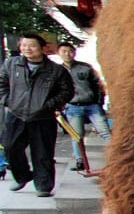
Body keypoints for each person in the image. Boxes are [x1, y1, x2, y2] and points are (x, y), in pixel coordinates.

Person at [0, 33, 74, 198]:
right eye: (24, 45)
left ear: (42, 48)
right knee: (10, 147)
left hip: (43, 117)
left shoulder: (56, 70)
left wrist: (48, 106)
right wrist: (8, 101)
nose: (27, 49)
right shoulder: (11, 65)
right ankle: (22, 176)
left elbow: (67, 91)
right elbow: (1, 84)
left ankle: (43, 185)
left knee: (42, 153)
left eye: (32, 45)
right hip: (16, 114)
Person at [56, 42, 110, 171]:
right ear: (59, 53)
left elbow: (98, 85)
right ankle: (80, 161)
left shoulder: (85, 67)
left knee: (105, 132)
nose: (67, 54)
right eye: (64, 51)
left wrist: (99, 102)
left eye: (70, 51)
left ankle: (116, 158)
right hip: (73, 107)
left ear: (74, 53)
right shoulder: (57, 71)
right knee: (76, 135)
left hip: (92, 105)